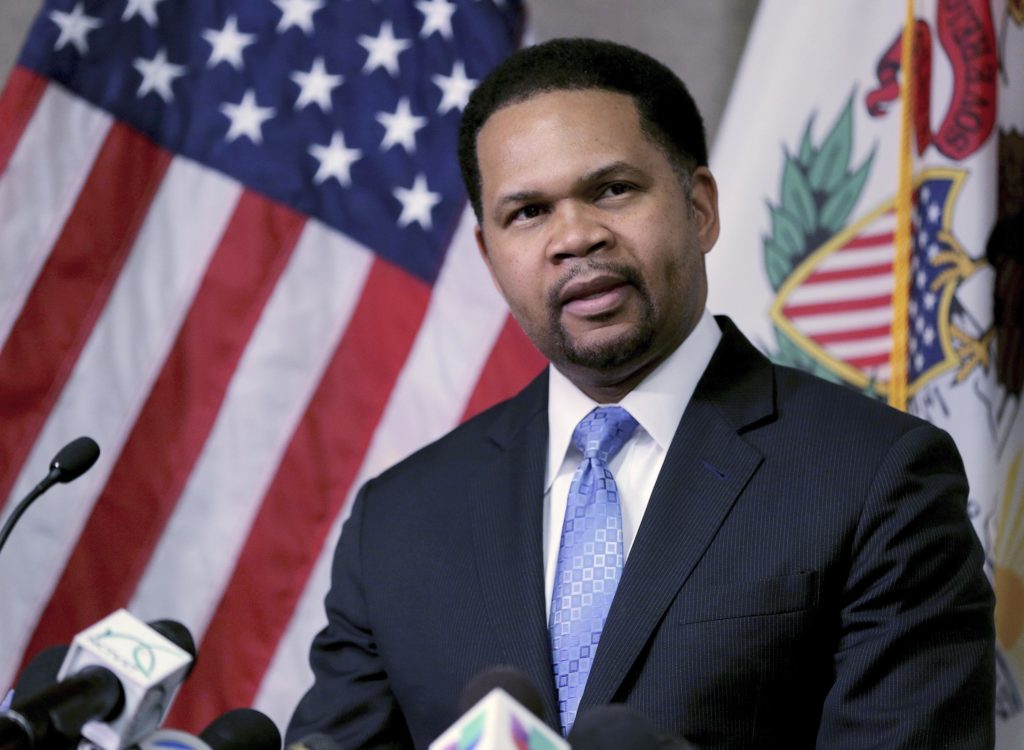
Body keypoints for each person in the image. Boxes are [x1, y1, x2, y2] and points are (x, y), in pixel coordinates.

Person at [285, 38, 995, 749]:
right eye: (527, 212)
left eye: (612, 190)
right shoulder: (399, 521)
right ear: (489, 257)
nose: (575, 237)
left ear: (702, 207)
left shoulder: (877, 478)